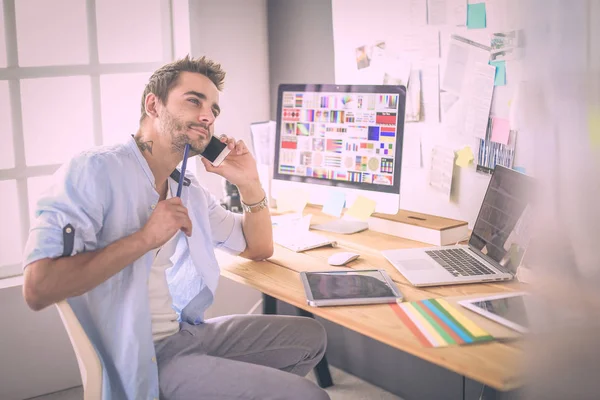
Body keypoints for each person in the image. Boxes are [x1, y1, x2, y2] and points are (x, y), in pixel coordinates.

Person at [22, 55, 330, 400]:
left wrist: (250, 184)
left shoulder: (187, 188)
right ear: (153, 104)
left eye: (214, 110)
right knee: (308, 396)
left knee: (310, 337)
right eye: (194, 101)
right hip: (145, 355)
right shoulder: (92, 171)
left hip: (184, 333)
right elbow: (38, 288)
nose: (207, 116)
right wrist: (145, 238)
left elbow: (258, 248)